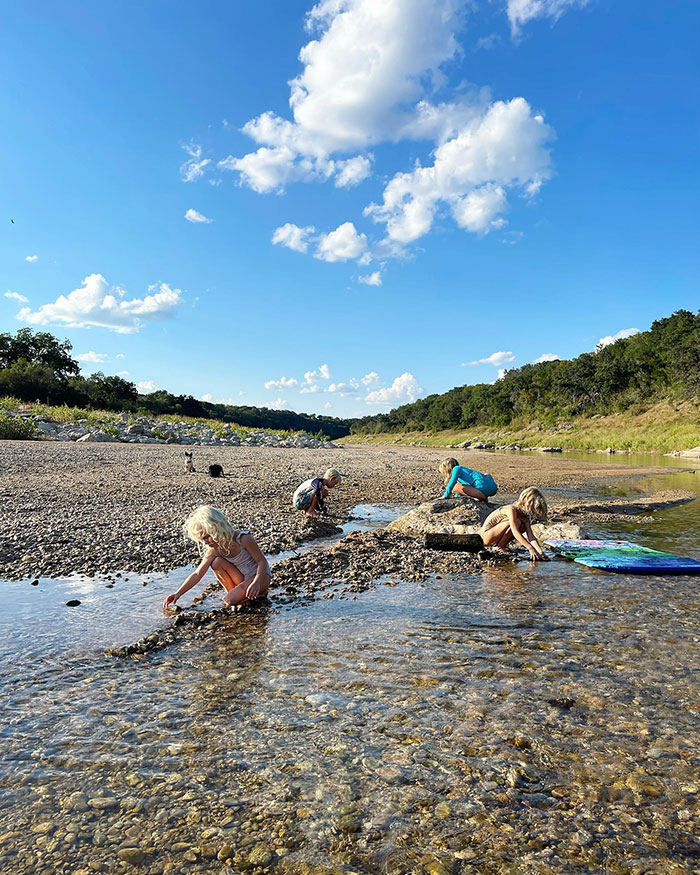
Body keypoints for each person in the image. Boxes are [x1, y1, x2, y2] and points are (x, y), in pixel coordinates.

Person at [163, 505, 271, 611]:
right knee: (216, 563)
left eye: (207, 537)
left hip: (260, 577)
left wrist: (256, 582)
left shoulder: (243, 539)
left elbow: (262, 561)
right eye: (202, 539)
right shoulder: (214, 550)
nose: (205, 542)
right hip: (242, 578)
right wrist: (178, 593)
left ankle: (252, 594)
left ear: (218, 529)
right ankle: (236, 593)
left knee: (228, 601)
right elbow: (197, 574)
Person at [480, 487, 550, 561]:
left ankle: (501, 545)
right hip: (486, 537)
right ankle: (500, 546)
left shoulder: (525, 515)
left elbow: (531, 536)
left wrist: (540, 551)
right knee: (516, 523)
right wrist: (530, 548)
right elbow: (515, 531)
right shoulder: (511, 509)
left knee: (522, 526)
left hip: (496, 536)